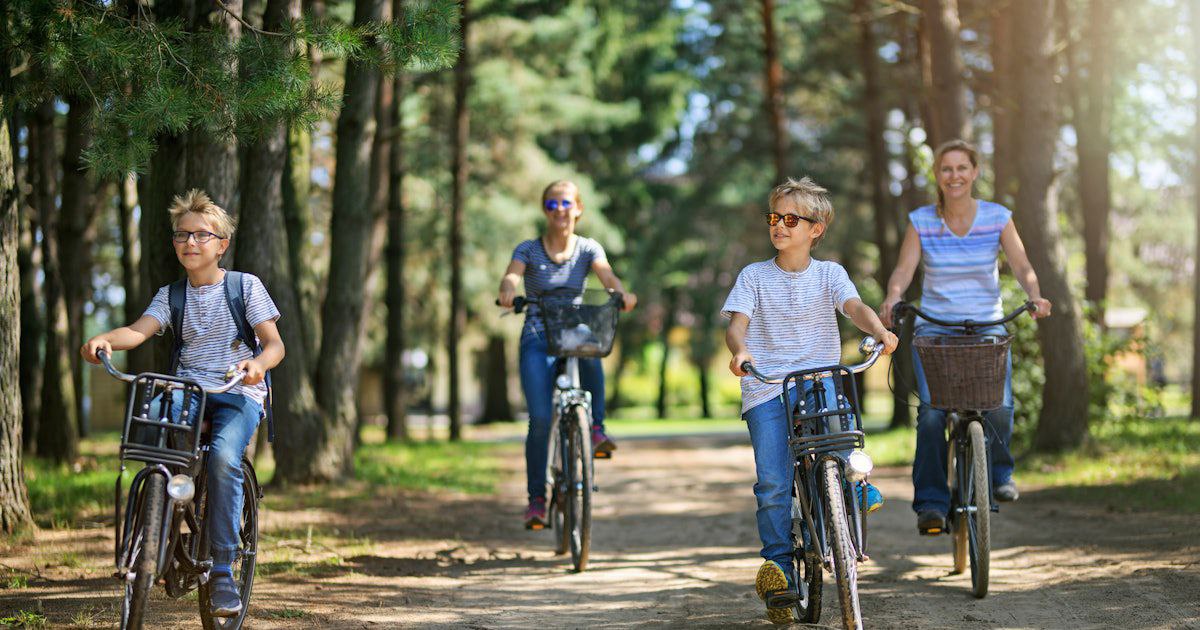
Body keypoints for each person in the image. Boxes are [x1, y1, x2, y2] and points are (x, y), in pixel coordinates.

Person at [82, 190, 283, 617]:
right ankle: (155, 531)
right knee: (154, 437)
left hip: (234, 393)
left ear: (221, 244)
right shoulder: (172, 294)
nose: (189, 243)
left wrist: (257, 365)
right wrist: (104, 340)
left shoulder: (244, 287)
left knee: (225, 459)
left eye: (200, 235)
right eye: (181, 235)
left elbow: (274, 345)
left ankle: (225, 570)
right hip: (187, 394)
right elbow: (137, 331)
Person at [723, 177, 898, 625]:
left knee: (837, 423)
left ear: (815, 229)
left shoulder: (830, 274)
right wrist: (739, 350)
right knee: (774, 483)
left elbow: (855, 308)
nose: (779, 226)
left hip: (818, 378)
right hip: (767, 386)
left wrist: (877, 330)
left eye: (790, 219)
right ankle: (779, 567)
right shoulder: (754, 276)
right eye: (774, 218)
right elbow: (736, 324)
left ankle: (850, 487)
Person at [878, 139, 1052, 533]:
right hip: (935, 328)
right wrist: (893, 297)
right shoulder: (922, 220)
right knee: (930, 415)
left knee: (1000, 406)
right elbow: (905, 270)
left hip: (986, 325)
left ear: (974, 172)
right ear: (937, 176)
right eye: (946, 169)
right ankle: (932, 504)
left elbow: (1022, 265)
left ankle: (1000, 475)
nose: (954, 175)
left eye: (962, 168)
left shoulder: (997, 217)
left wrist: (1035, 295)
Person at [497, 180, 637, 530]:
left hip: (572, 329)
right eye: (552, 205)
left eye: (565, 204)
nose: (559, 210)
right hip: (536, 333)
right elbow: (511, 277)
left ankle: (597, 428)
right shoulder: (528, 249)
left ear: (578, 209)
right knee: (541, 419)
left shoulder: (588, 248)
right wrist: (506, 292)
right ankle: (536, 500)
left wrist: (622, 294)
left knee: (591, 345)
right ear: (545, 210)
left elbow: (608, 277)